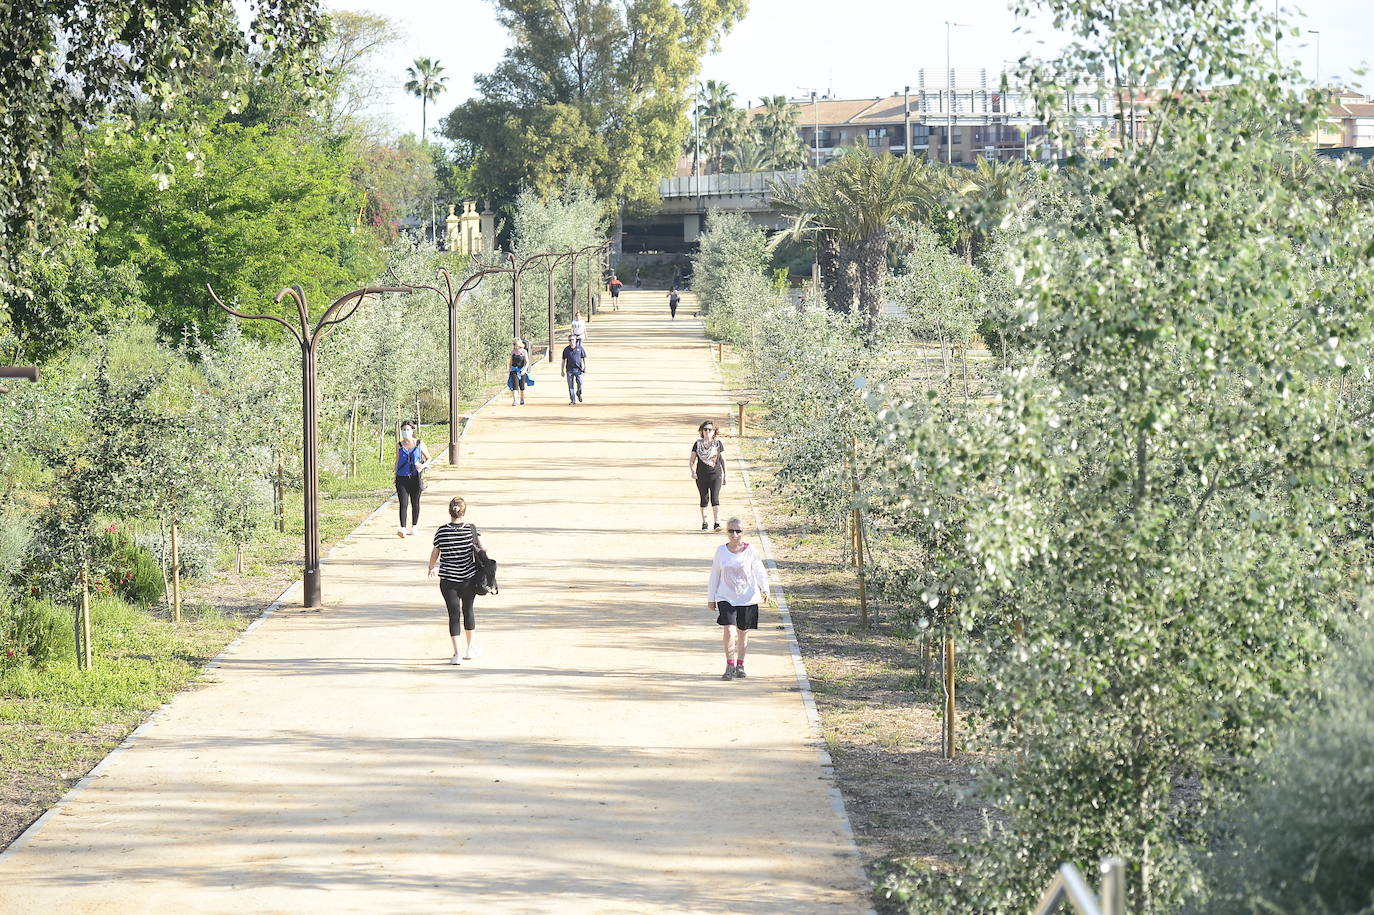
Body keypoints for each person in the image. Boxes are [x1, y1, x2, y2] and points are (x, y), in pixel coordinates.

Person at [428, 496, 488, 665]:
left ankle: (457, 654)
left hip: (448, 580)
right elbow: (484, 549)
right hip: (468, 579)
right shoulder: (472, 530)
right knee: (468, 611)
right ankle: (470, 648)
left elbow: (435, 552)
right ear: (464, 511)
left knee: (453, 615)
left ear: (449, 511)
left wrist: (431, 567)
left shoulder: (442, 531)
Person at [707, 517, 769, 680]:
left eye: (738, 531)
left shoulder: (751, 551)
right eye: (731, 531)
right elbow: (715, 574)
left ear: (743, 532)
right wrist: (711, 598)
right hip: (725, 597)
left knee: (743, 631)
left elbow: (759, 571)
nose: (734, 534)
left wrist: (765, 589)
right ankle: (730, 664)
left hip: (747, 597)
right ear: (726, 532)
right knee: (729, 628)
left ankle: (740, 664)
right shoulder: (721, 551)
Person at [394, 420, 432, 537]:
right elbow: (397, 460)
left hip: (416, 477)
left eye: (408, 429)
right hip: (402, 477)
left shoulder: (419, 443)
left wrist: (423, 465)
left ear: (412, 430)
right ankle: (403, 528)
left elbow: (429, 458)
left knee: (415, 502)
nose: (406, 432)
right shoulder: (399, 445)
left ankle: (414, 526)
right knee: (403, 503)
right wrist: (395, 474)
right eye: (403, 430)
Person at [688, 419, 727, 531]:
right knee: (704, 498)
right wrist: (692, 471)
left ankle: (717, 522)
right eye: (705, 429)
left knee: (715, 498)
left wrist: (725, 475)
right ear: (702, 431)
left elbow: (723, 460)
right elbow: (692, 460)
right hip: (701, 475)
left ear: (714, 431)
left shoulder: (718, 444)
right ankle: (705, 522)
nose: (707, 431)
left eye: (710, 429)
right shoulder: (697, 444)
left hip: (716, 475)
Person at [560, 333, 587, 405]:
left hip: (578, 369)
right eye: (570, 340)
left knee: (580, 383)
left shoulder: (580, 348)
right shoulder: (566, 349)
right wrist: (562, 370)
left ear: (575, 340)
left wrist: (585, 366)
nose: (571, 341)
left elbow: (583, 357)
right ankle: (573, 400)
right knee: (570, 386)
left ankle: (579, 392)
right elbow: (563, 360)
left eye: (572, 340)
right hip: (569, 370)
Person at [508, 339, 528, 405]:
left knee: (522, 387)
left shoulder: (524, 352)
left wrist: (524, 370)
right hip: (514, 370)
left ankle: (522, 399)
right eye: (514, 344)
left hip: (522, 370)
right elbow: (511, 362)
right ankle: (515, 400)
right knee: (515, 386)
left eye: (515, 344)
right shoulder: (513, 352)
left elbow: (527, 362)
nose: (514, 345)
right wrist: (510, 370)